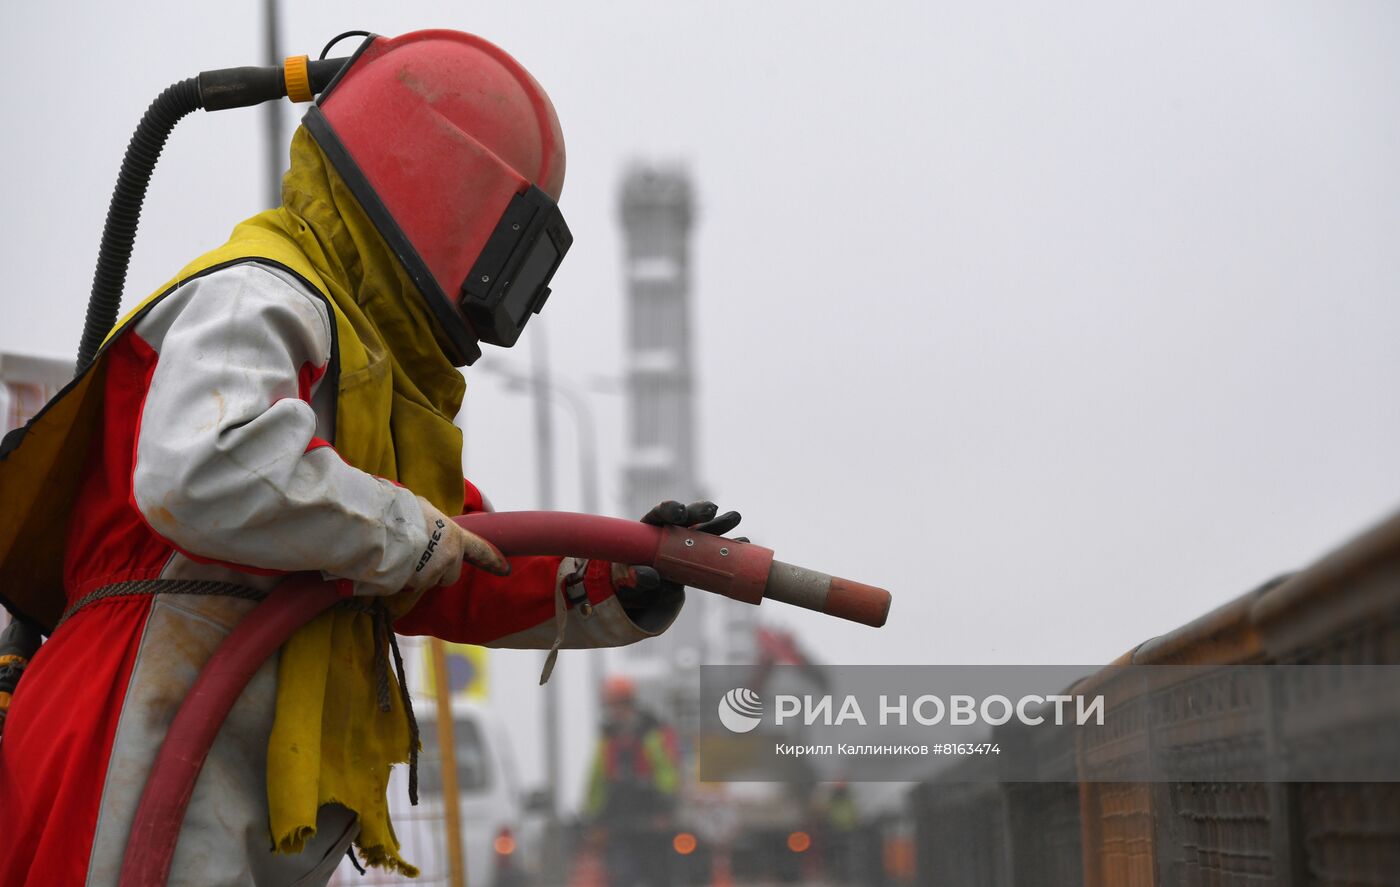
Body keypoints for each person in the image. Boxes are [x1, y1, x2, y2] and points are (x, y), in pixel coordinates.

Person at [0, 29, 735, 886]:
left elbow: (458, 550)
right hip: (125, 733)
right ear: (440, 191)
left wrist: (617, 571)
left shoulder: (362, 372)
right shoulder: (263, 293)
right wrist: (408, 533)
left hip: (209, 763)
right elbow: (206, 465)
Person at [583, 674, 683, 887]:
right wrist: (592, 816)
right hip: (619, 822)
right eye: (611, 706)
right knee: (622, 877)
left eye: (617, 705)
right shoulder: (607, 739)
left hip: (651, 821)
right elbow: (597, 780)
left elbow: (667, 772)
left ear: (629, 703)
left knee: (658, 876)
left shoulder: (652, 734)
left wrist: (665, 807)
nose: (614, 712)